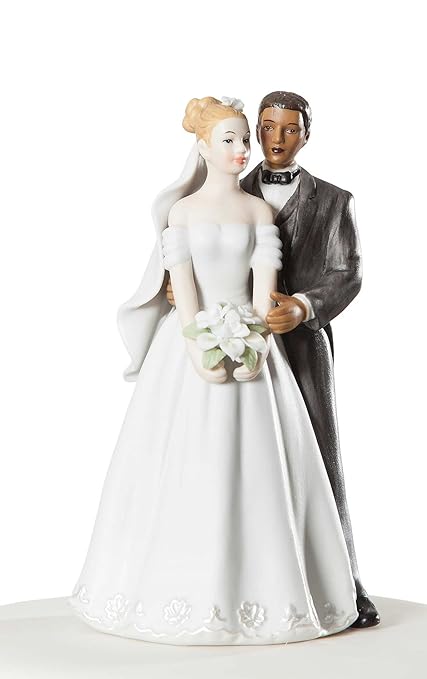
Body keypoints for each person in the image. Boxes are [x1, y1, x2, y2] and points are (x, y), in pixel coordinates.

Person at [69, 96, 358, 645]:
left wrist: (258, 338)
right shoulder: (184, 212)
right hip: (191, 347)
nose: (248, 147)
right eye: (238, 137)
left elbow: (293, 280)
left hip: (270, 341)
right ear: (202, 146)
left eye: (247, 138)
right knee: (182, 457)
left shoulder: (276, 209)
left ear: (304, 134)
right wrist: (198, 339)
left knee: (294, 464)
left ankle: (321, 584)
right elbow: (182, 286)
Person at [168, 92, 380, 628]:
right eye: (266, 128)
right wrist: (180, 291)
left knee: (318, 460)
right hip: (228, 339)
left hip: (300, 346)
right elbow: (184, 256)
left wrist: (304, 306)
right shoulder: (226, 186)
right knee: (232, 459)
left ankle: (343, 584)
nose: (275, 139)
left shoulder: (334, 200)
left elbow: (347, 271)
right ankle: (239, 582)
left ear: (306, 134)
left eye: (290, 129)